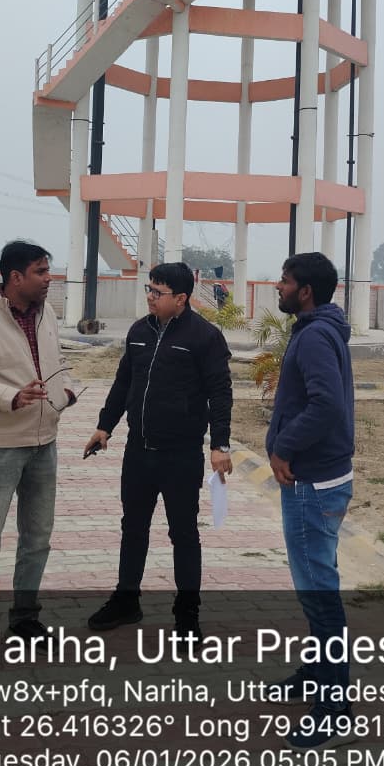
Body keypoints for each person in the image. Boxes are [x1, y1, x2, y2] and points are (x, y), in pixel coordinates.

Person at [85, 262, 233, 638]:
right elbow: (123, 383)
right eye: (148, 289)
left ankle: (187, 614)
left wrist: (220, 444)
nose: (150, 297)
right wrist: (105, 426)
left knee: (183, 533)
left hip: (181, 455)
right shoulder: (139, 331)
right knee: (133, 527)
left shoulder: (205, 337)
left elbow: (220, 394)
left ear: (181, 298)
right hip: (139, 451)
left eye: (157, 292)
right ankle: (126, 600)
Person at [0, 241, 76, 662]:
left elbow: (55, 361)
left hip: (45, 442)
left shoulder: (46, 313)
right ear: (15, 277)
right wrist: (10, 397)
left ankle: (25, 617)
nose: (49, 279)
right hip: (2, 444)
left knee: (37, 539)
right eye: (41, 271)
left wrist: (64, 392)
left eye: (48, 270)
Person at [266, 252, 355, 748]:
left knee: (319, 596)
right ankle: (320, 672)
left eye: (284, 281)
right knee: (319, 585)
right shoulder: (319, 328)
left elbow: (327, 404)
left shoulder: (316, 335)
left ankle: (335, 708)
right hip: (321, 479)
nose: (277, 287)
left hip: (312, 484)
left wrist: (283, 446)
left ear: (305, 291)